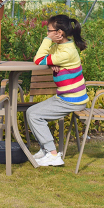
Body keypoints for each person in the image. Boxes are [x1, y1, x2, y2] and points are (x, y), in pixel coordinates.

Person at [26, 14, 87, 166]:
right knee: (31, 113)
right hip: (66, 96)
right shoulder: (63, 47)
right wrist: (51, 59)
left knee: (34, 114)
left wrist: (47, 41)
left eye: (49, 30)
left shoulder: (66, 52)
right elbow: (47, 56)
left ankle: (53, 154)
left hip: (71, 99)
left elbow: (38, 60)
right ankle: (46, 149)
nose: (47, 34)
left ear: (59, 33)